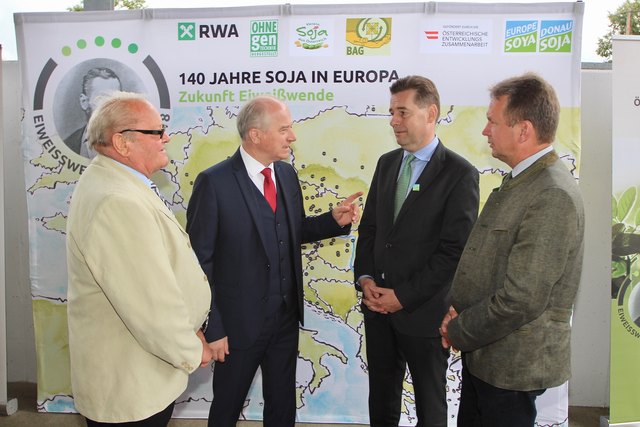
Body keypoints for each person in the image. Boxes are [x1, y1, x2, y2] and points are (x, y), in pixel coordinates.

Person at [186, 95, 362, 427]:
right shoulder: (215, 183)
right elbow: (198, 264)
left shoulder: (286, 175)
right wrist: (213, 327)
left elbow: (290, 232)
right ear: (255, 134)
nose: (292, 136)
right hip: (237, 326)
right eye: (284, 129)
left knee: (282, 408)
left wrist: (332, 220)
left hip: (284, 319)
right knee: (226, 408)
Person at [439, 73, 585, 427]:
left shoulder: (552, 194)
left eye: (492, 121)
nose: (486, 131)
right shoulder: (524, 179)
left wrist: (459, 329)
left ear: (523, 130)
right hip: (488, 356)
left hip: (511, 366)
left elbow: (522, 297)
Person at [66, 91, 213, 426]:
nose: (166, 137)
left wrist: (193, 330)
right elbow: (150, 305)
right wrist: (192, 350)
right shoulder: (116, 202)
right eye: (156, 132)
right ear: (123, 142)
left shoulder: (120, 182)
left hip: (143, 370)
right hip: (130, 385)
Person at [354, 75, 480, 427]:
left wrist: (403, 297)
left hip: (423, 315)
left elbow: (453, 252)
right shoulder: (387, 163)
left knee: (430, 405)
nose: (394, 121)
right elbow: (371, 230)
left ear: (430, 113)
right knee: (381, 399)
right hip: (377, 308)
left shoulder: (460, 174)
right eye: (391, 112)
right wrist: (365, 279)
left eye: (402, 112)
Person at [64, 67, 122, 158]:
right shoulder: (68, 145)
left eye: (116, 99)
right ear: (84, 102)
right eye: (102, 98)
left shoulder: (136, 143)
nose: (111, 106)